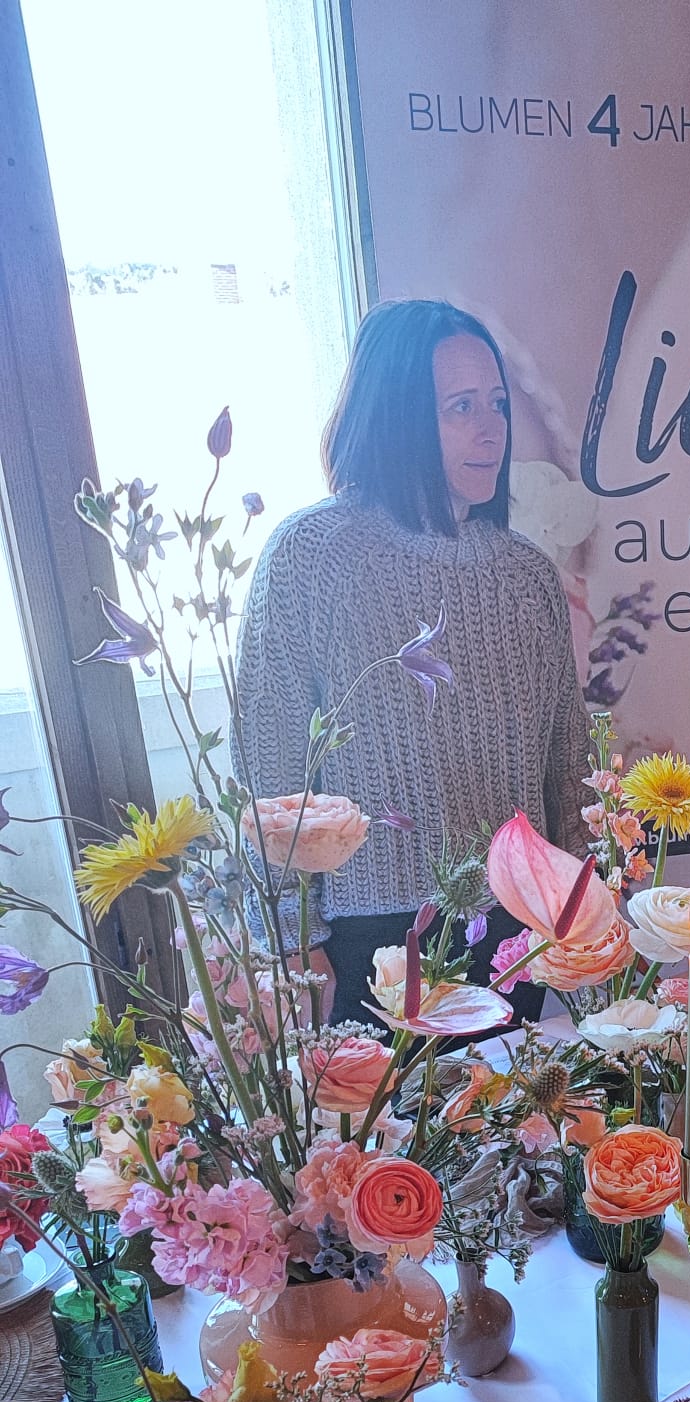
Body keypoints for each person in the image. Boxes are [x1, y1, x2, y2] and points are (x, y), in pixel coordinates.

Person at [235, 297, 591, 1023]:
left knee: (516, 1133)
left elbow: (567, 764)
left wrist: (584, 914)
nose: (491, 427)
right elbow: (268, 768)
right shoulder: (312, 557)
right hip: (364, 938)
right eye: (460, 406)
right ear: (397, 418)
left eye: (496, 402)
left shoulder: (527, 575)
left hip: (509, 928)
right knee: (388, 1139)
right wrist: (294, 938)